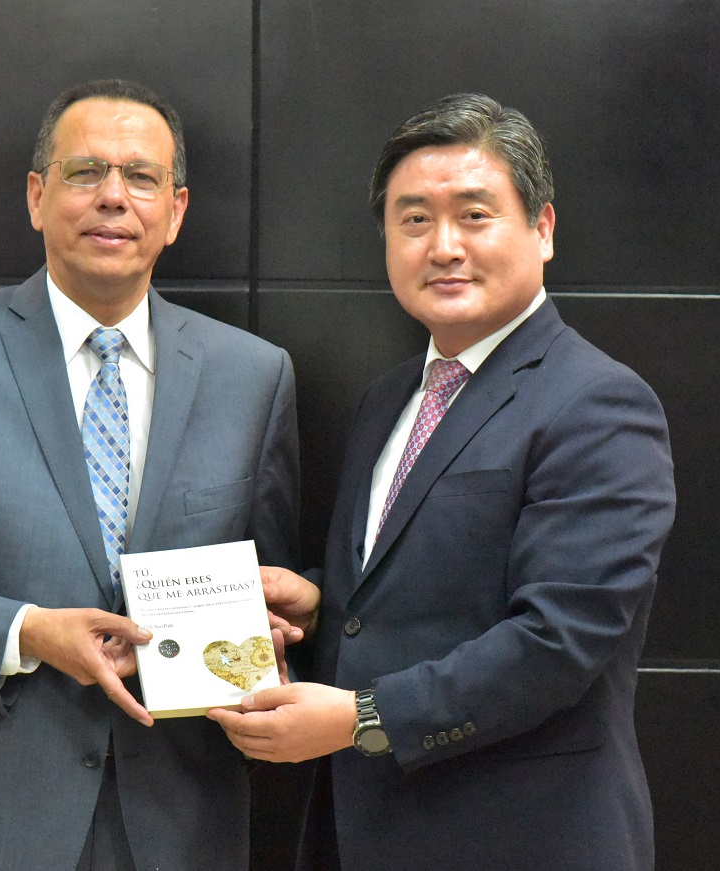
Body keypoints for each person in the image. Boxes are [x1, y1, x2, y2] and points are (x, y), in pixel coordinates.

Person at [0, 79, 300, 871]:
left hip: (178, 819)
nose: (112, 196)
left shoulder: (254, 376)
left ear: (175, 212)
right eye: (84, 172)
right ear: (37, 197)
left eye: (141, 177)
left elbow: (270, 583)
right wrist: (27, 632)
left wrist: (269, 642)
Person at [209, 93, 675, 871]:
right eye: (415, 219)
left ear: (544, 228)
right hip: (363, 832)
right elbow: (419, 600)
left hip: (523, 838)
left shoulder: (599, 402)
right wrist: (321, 605)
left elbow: (558, 640)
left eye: (474, 214)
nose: (444, 246)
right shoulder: (390, 399)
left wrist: (360, 717)